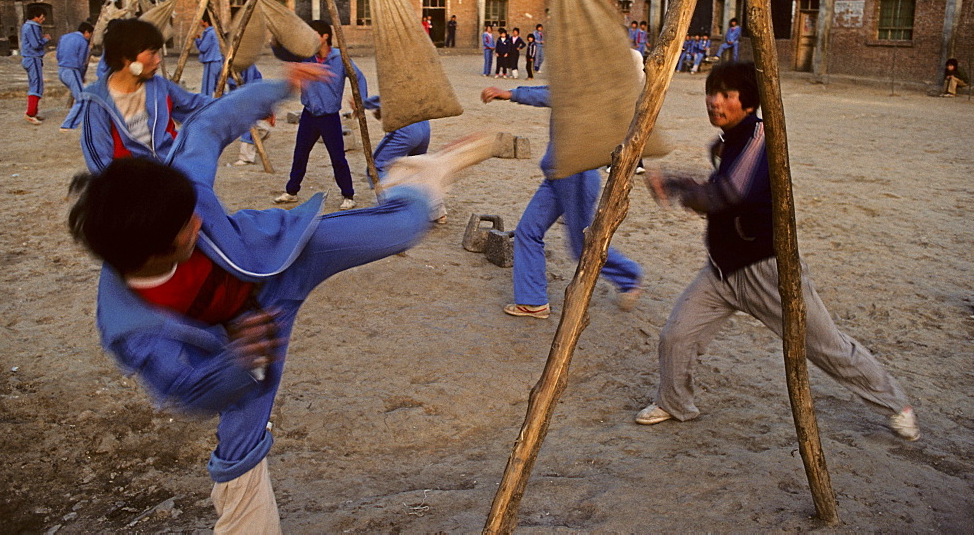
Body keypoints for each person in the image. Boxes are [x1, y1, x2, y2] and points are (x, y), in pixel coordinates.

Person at [67, 66, 495, 531]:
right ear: (150, 251)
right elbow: (186, 391)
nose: (199, 222)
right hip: (244, 340)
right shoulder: (132, 327)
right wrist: (236, 361)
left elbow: (210, 124)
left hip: (280, 260)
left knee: (405, 226)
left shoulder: (173, 191)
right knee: (239, 454)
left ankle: (418, 177)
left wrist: (280, 86)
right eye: (186, 227)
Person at [634, 61, 920, 442]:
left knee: (826, 348)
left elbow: (729, 192)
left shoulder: (758, 135)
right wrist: (673, 183)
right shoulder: (725, 142)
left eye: (726, 95)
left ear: (748, 103)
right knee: (677, 336)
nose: (714, 101)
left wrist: (681, 191)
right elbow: (718, 186)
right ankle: (674, 402)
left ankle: (895, 404)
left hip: (767, 271)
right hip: (722, 269)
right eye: (711, 92)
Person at [480, 54, 645, 320]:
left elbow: (550, 95)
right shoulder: (581, 79)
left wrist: (509, 94)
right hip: (557, 174)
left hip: (576, 176)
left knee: (581, 245)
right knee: (528, 231)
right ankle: (532, 301)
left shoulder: (592, 86)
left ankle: (629, 277)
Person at [77, 18, 212, 174]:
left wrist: (240, 105)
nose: (158, 60)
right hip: (133, 183)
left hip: (175, 172)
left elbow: (197, 105)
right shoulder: (97, 102)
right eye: (152, 53)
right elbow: (98, 159)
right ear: (127, 58)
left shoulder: (160, 87)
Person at [272, 19, 366, 210]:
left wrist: (359, 99)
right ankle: (291, 192)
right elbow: (284, 54)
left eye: (314, 34)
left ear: (325, 37)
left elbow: (358, 77)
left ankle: (348, 195)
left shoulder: (340, 58)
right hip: (309, 115)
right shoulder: (306, 56)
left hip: (329, 117)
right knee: (300, 155)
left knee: (337, 157)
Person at [362, 95, 446, 223]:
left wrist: (364, 104)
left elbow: (390, 93)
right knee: (418, 169)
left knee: (376, 166)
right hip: (424, 126)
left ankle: (391, 210)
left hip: (406, 128)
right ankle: (437, 211)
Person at [229, 65, 274, 167]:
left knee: (248, 125)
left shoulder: (247, 65)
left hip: (253, 95)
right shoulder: (228, 64)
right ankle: (263, 129)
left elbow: (250, 85)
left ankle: (246, 157)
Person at [57, 22, 95, 130]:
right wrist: (81, 75)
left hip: (61, 70)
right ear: (86, 32)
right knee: (82, 99)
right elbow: (82, 61)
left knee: (79, 95)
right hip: (72, 71)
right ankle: (68, 125)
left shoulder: (64, 37)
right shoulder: (83, 42)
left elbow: (58, 54)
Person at [21, 5, 51, 125]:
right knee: (37, 85)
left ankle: (33, 111)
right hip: (33, 58)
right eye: (42, 17)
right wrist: (45, 39)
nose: (43, 20)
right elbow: (35, 44)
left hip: (29, 58)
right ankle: (30, 113)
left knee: (34, 84)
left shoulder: (26, 26)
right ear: (36, 16)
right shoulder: (33, 26)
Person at [195, 15, 224, 97]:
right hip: (217, 61)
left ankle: (206, 105)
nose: (200, 22)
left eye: (201, 20)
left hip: (211, 61)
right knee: (217, 86)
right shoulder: (214, 31)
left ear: (205, 21)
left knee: (207, 88)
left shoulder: (209, 33)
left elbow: (203, 48)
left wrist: (197, 40)